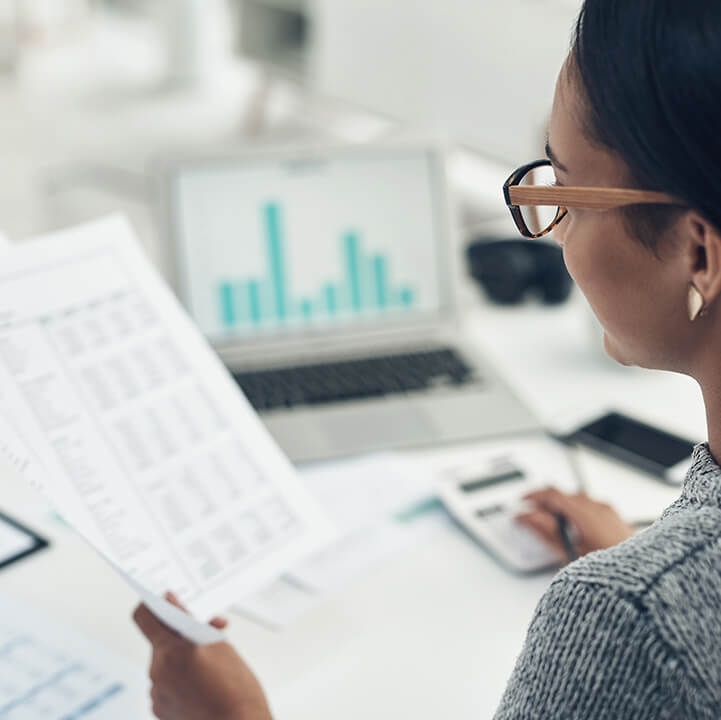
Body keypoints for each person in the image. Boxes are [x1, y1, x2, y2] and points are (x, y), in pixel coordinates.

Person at [133, 0, 721, 717]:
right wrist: (649, 555)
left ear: (698, 252)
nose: (554, 235)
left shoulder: (625, 618)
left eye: (565, 192)